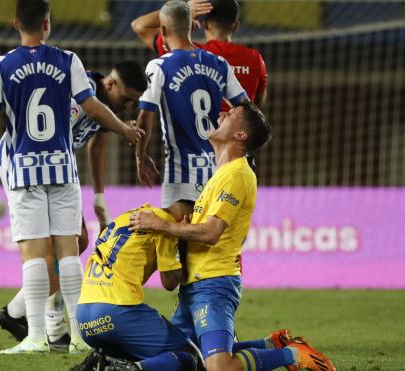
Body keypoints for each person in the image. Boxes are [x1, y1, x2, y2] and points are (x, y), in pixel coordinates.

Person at [0, 0, 144, 355]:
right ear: (47, 24)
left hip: (24, 165)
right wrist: (123, 129)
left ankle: (37, 334)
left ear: (15, 24)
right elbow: (91, 108)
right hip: (61, 167)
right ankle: (73, 335)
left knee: (37, 254)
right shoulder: (69, 61)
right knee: (69, 251)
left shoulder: (2, 65)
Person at [130, 102, 336, 371]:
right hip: (194, 284)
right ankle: (271, 344)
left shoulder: (238, 175)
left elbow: (211, 233)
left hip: (213, 284)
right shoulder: (221, 175)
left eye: (231, 114)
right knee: (187, 358)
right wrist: (184, 227)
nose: (222, 113)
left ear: (240, 136)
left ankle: (293, 355)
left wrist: (162, 225)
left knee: (218, 368)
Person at [0, 61, 148, 352]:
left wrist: (99, 196)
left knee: (77, 242)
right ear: (111, 84)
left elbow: (97, 146)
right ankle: (54, 330)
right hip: (24, 164)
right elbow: (49, 137)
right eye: (127, 99)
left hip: (55, 167)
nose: (128, 106)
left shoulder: (104, 105)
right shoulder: (83, 94)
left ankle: (16, 312)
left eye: (134, 102)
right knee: (52, 245)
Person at [135, 0, 248, 212]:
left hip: (182, 175)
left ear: (163, 30)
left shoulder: (160, 65)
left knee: (176, 239)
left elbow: (145, 117)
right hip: (219, 172)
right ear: (192, 26)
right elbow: (246, 109)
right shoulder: (219, 63)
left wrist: (140, 156)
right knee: (211, 239)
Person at [72, 202, 204, 371]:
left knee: (144, 360)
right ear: (188, 219)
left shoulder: (127, 216)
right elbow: (170, 281)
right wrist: (183, 241)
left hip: (84, 318)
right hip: (118, 311)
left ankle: (102, 365)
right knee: (191, 358)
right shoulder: (163, 223)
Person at [131, 0, 267, 110]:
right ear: (236, 26)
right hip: (238, 139)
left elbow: (139, 25)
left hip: (199, 139)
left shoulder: (187, 53)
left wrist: (183, 11)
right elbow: (256, 108)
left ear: (205, 24)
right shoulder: (255, 58)